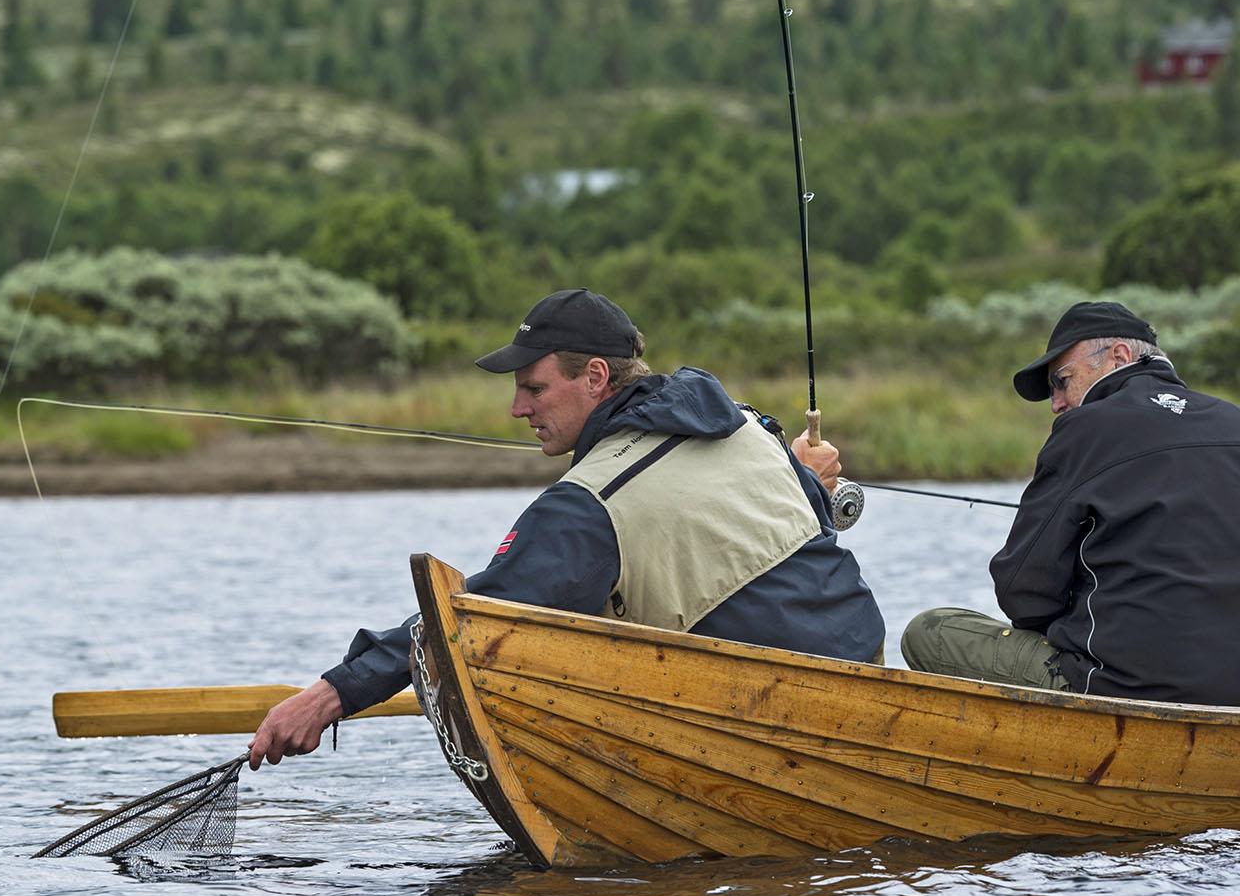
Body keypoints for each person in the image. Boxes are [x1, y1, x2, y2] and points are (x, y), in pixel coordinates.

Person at [248, 289, 885, 769]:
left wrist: (332, 694)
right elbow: (804, 515)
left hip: (770, 726)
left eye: (534, 388)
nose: (518, 409)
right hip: (868, 675)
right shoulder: (747, 426)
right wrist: (808, 478)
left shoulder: (584, 504)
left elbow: (465, 619)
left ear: (596, 377)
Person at [900, 301, 1240, 704]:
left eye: (1061, 380)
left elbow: (1022, 593)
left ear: (1120, 357)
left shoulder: (1083, 429)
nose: (1056, 403)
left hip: (1119, 687)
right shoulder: (1232, 420)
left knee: (930, 632)